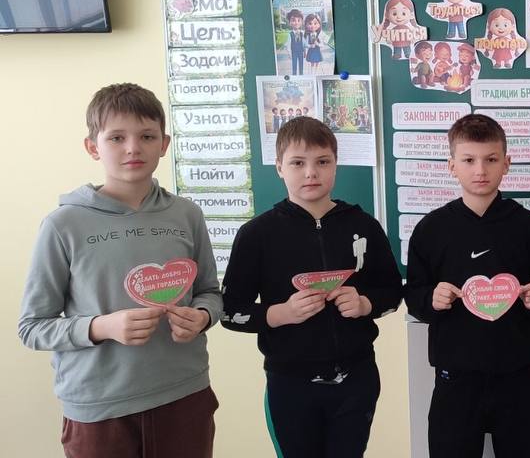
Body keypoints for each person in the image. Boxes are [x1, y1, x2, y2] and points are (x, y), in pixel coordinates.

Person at [19, 83, 222, 458]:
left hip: (185, 395)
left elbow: (210, 291)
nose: (133, 148)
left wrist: (203, 316)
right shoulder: (63, 225)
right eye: (117, 137)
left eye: (147, 136)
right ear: (92, 147)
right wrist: (101, 327)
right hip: (99, 409)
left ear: (164, 144)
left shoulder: (187, 215)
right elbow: (32, 327)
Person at [221, 116, 403, 458]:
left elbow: (393, 292)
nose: (311, 173)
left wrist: (365, 304)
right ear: (279, 167)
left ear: (336, 164)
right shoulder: (257, 235)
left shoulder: (363, 225)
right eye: (297, 163)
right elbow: (229, 312)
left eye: (322, 162)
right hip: (290, 383)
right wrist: (281, 313)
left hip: (357, 378)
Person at [405, 113, 530, 458]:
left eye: (491, 159)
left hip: (519, 375)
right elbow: (414, 296)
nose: (480, 170)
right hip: (455, 378)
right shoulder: (431, 230)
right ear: (452, 166)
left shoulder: (528, 226)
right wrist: (431, 299)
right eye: (469, 160)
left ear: (506, 163)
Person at [287, 9, 306, 76]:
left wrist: (305, 52)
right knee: (294, 64)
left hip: (301, 51)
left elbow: (303, 43)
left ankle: (301, 74)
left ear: (301, 22)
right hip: (294, 52)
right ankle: (294, 75)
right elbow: (288, 45)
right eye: (293, 20)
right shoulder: (290, 34)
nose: (296, 23)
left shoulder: (302, 33)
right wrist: (289, 54)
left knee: (301, 63)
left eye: (298, 20)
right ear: (290, 22)